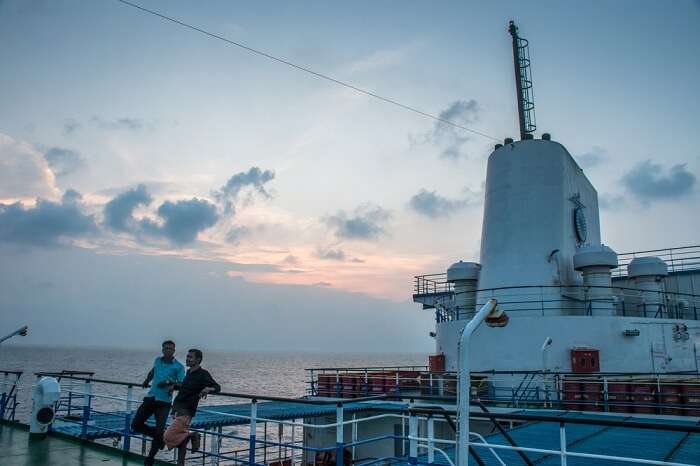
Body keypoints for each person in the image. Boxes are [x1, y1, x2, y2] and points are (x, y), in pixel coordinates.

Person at [131, 340, 185, 466]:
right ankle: (160, 438)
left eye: (170, 348)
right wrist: (146, 380)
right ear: (162, 350)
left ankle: (150, 458)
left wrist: (168, 383)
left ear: (174, 351)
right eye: (166, 348)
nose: (168, 350)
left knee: (160, 431)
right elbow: (153, 371)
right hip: (151, 398)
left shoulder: (178, 367)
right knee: (135, 425)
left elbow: (181, 384)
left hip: (164, 402)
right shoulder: (157, 360)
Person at [164, 348, 221, 465]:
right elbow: (186, 387)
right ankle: (181, 463)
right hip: (177, 407)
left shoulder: (203, 374)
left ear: (198, 359)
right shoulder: (188, 372)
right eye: (187, 356)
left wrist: (208, 388)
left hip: (187, 410)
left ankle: (193, 435)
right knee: (180, 440)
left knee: (168, 435)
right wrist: (174, 386)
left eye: (190, 357)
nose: (187, 359)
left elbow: (217, 387)